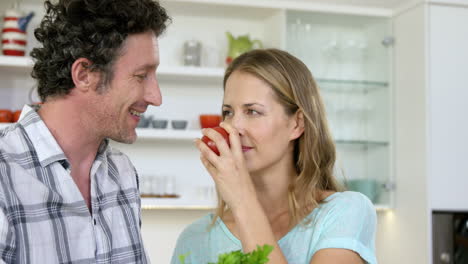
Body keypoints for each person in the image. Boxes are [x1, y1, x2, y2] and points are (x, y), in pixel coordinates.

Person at [0, 0, 170, 263]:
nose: (156, 97)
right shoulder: (4, 176)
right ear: (84, 75)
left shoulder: (122, 173)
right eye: (141, 76)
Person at [171, 49, 377, 264]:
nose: (234, 127)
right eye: (228, 112)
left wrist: (242, 201)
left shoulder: (345, 212)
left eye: (252, 112)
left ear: (296, 124)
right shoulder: (196, 239)